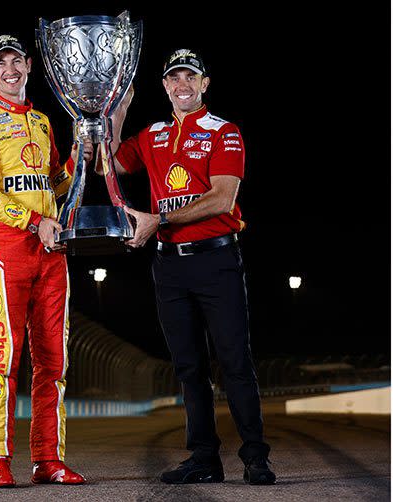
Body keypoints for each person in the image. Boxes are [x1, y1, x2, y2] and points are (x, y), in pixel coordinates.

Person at [99, 49, 276, 485]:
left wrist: (159, 218)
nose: (182, 85)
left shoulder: (224, 131)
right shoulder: (153, 134)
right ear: (164, 85)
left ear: (204, 84)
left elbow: (223, 198)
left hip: (217, 260)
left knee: (235, 361)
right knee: (189, 367)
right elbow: (109, 166)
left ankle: (255, 456)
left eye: (190, 77)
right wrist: (117, 111)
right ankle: (204, 459)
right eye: (174, 78)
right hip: (169, 267)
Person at [0, 34, 91, 488]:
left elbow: (58, 183)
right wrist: (35, 222)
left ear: (28, 65)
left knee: (54, 362)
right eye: (1, 64)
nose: (10, 69)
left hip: (51, 255)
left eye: (16, 60)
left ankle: (48, 459)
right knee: (4, 357)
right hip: (5, 254)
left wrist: (83, 156)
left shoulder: (44, 121)